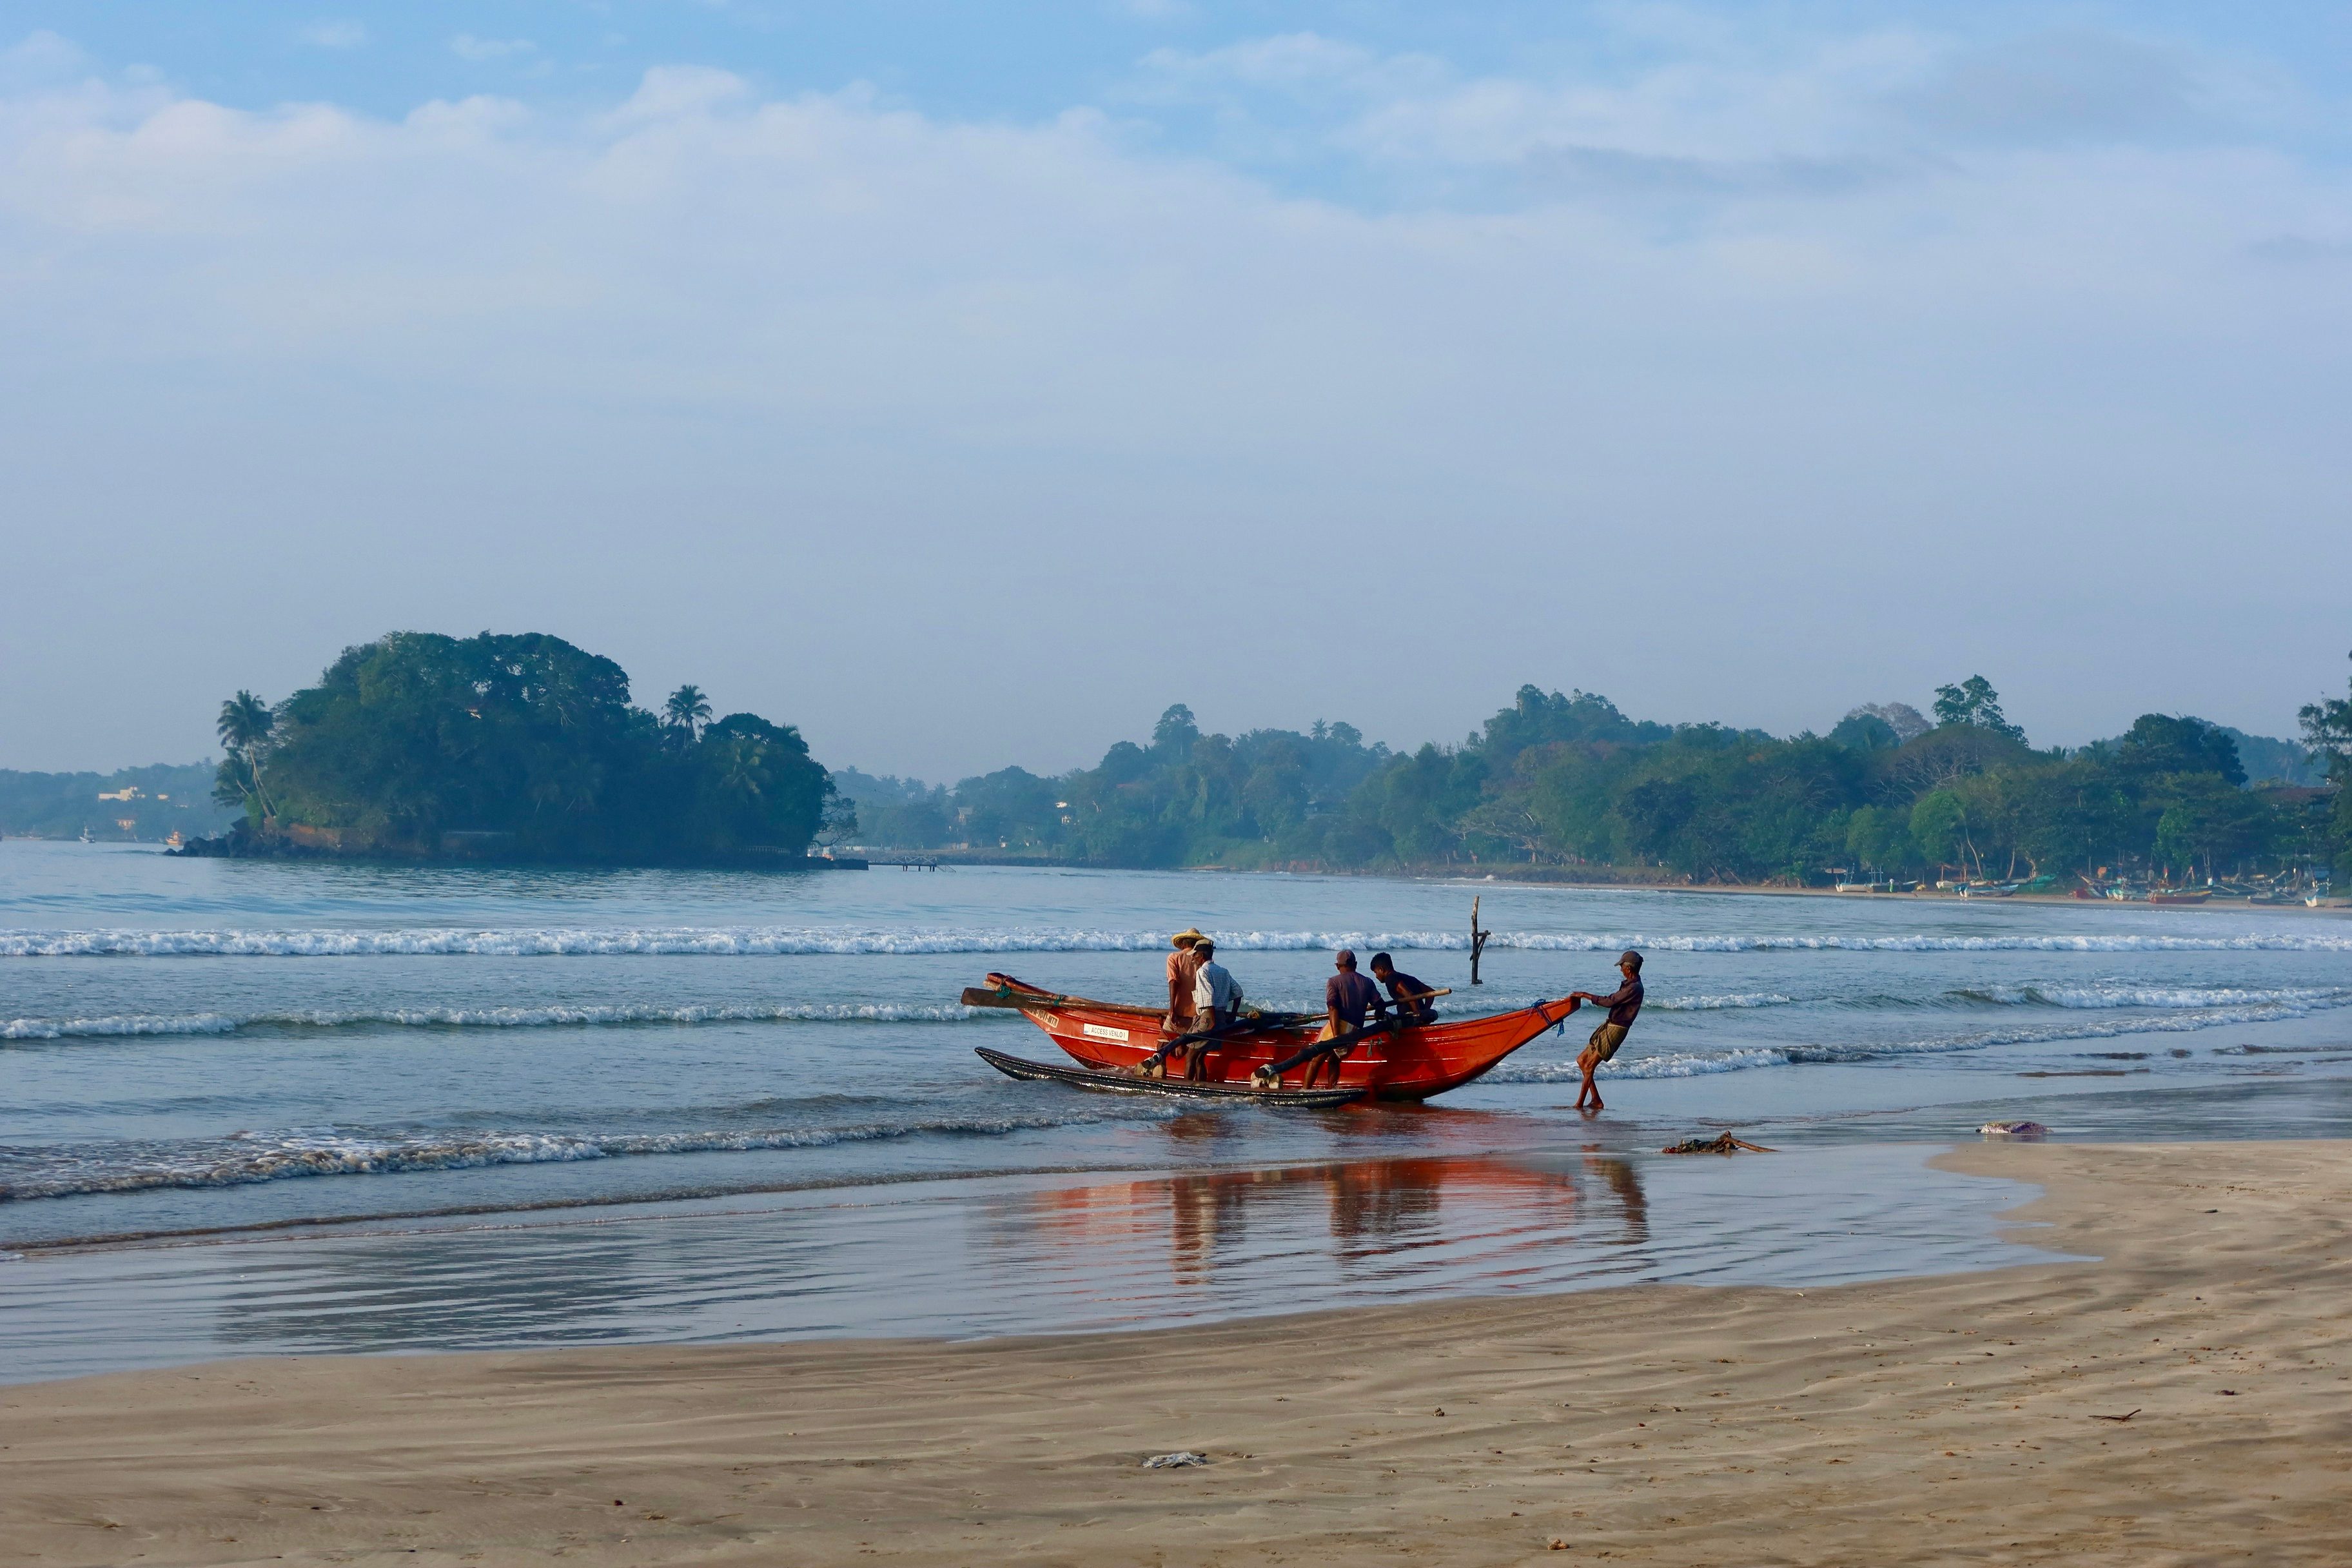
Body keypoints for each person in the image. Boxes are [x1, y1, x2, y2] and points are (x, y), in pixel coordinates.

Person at [1255, 948, 1382, 1089]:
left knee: (1316, 1059)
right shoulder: (1368, 982)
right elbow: (1380, 1006)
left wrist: (1337, 1035)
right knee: (1334, 1059)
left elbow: (1333, 1008)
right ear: (1355, 964)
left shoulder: (1334, 982)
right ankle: (1332, 1088)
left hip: (1338, 1027)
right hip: (1356, 1031)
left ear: (1338, 966)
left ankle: (1306, 1090)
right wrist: (1379, 1017)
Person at [1569, 950, 1645, 1111]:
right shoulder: (1631, 985)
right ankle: (1596, 1100)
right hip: (1610, 1025)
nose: (1620, 970)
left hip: (1617, 1029)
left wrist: (1584, 995)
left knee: (1589, 1066)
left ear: (1629, 969)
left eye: (1622, 967)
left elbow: (1610, 1002)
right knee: (1582, 1061)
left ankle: (1579, 1105)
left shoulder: (1634, 988)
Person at [1368, 952, 1438, 1026]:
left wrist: (1418, 1015)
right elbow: (1431, 993)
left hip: (1408, 1018)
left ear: (1381, 970)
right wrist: (1424, 1011)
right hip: (1415, 1016)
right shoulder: (1408, 978)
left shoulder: (1390, 978)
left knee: (1381, 1025)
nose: (1376, 976)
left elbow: (1409, 995)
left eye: (1375, 972)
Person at [1164, 928, 1205, 1034]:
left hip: (1180, 1011)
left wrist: (1172, 1010)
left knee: (1162, 1043)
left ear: (1183, 944)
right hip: (1199, 1013)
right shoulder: (1203, 961)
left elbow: (1173, 982)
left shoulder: (1174, 957)